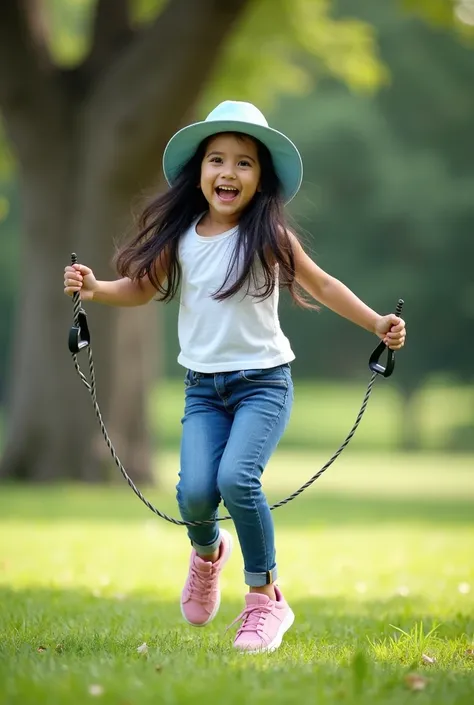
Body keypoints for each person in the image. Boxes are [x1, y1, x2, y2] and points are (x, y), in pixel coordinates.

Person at [64, 100, 406, 653]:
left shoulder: (266, 234)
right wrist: (98, 289)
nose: (228, 172)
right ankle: (207, 553)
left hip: (263, 385)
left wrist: (376, 322)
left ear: (260, 178)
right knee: (195, 494)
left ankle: (265, 600)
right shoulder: (182, 238)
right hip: (204, 389)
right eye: (217, 160)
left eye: (244, 163)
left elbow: (320, 285)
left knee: (236, 480)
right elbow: (142, 288)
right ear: (199, 173)